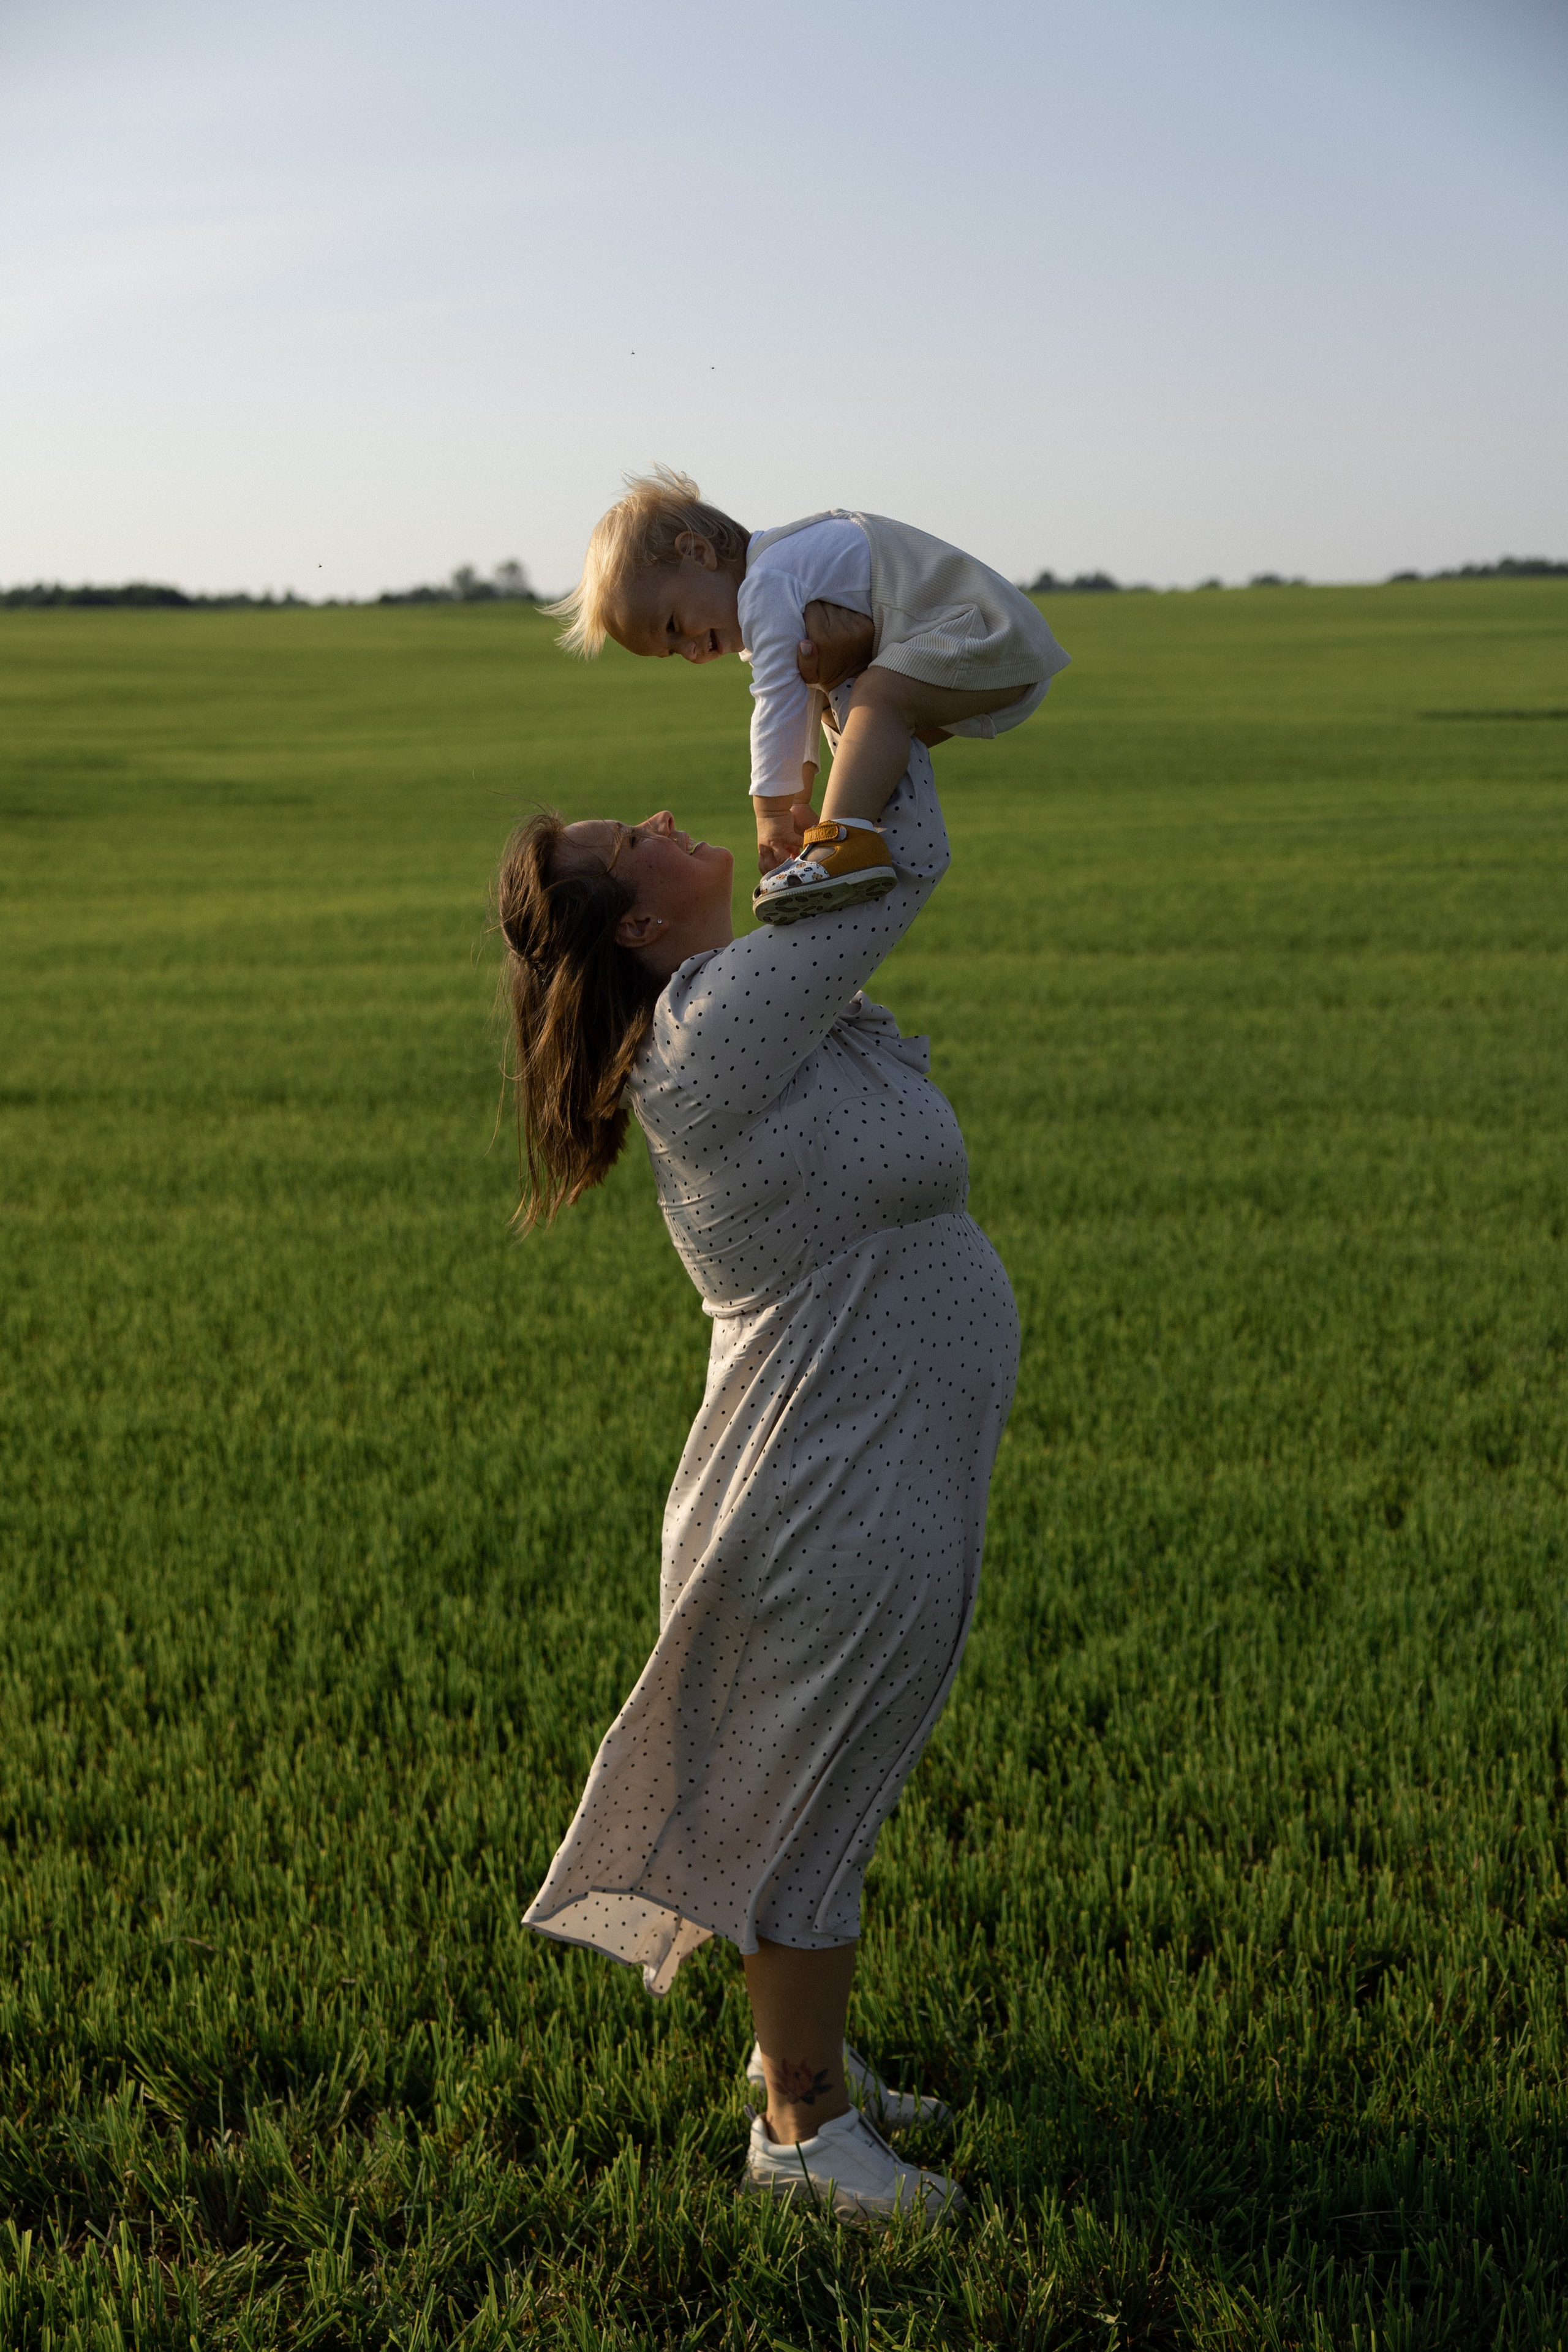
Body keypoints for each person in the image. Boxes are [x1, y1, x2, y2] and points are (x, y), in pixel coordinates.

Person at [496, 635, 1020, 2227]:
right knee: (813, 1815)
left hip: (859, 1458)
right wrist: (894, 696)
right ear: (646, 924)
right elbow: (894, 863)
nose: (662, 815)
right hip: (827, 1481)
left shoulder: (731, 1011)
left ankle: (808, 2067)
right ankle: (799, 2138)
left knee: (828, 1785)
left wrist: (860, 721)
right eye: (630, 840)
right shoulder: (716, 1029)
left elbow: (856, 871)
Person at [548, 465, 1070, 921]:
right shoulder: (785, 567)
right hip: (989, 642)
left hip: (981, 634)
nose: (690, 651)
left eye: (673, 625)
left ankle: (843, 844)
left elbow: (776, 702)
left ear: (698, 552)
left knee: (878, 701)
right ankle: (842, 839)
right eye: (672, 653)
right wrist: (802, 799)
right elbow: (802, 704)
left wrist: (772, 816)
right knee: (865, 722)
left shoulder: (768, 583)